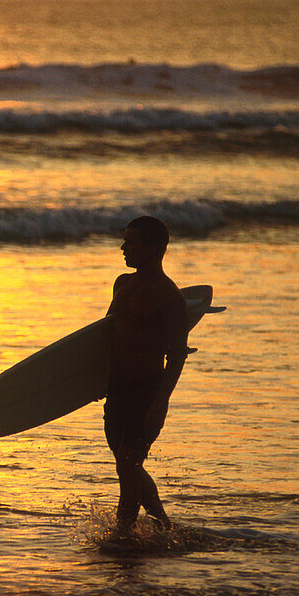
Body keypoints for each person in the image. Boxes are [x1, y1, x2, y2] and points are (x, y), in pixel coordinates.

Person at [104, 216, 189, 533]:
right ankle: (163, 525)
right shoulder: (122, 285)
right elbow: (106, 338)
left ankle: (122, 535)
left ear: (153, 249)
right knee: (128, 467)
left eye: (131, 242)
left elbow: (177, 355)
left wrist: (160, 403)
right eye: (123, 240)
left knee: (128, 464)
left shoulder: (170, 298)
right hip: (117, 391)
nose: (123, 247)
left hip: (146, 392)